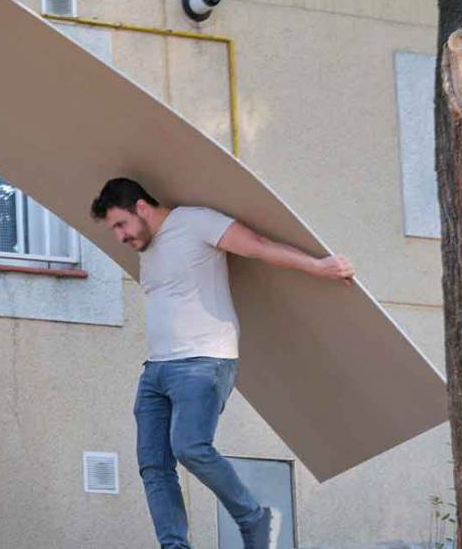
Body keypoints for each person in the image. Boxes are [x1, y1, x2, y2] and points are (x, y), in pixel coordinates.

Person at [90, 178, 355, 549]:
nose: (119, 236)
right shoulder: (146, 248)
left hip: (203, 361)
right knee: (153, 463)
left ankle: (254, 518)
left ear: (142, 208)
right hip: (156, 369)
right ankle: (174, 546)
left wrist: (318, 266)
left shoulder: (196, 223)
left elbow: (258, 247)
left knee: (189, 447)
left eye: (121, 224)